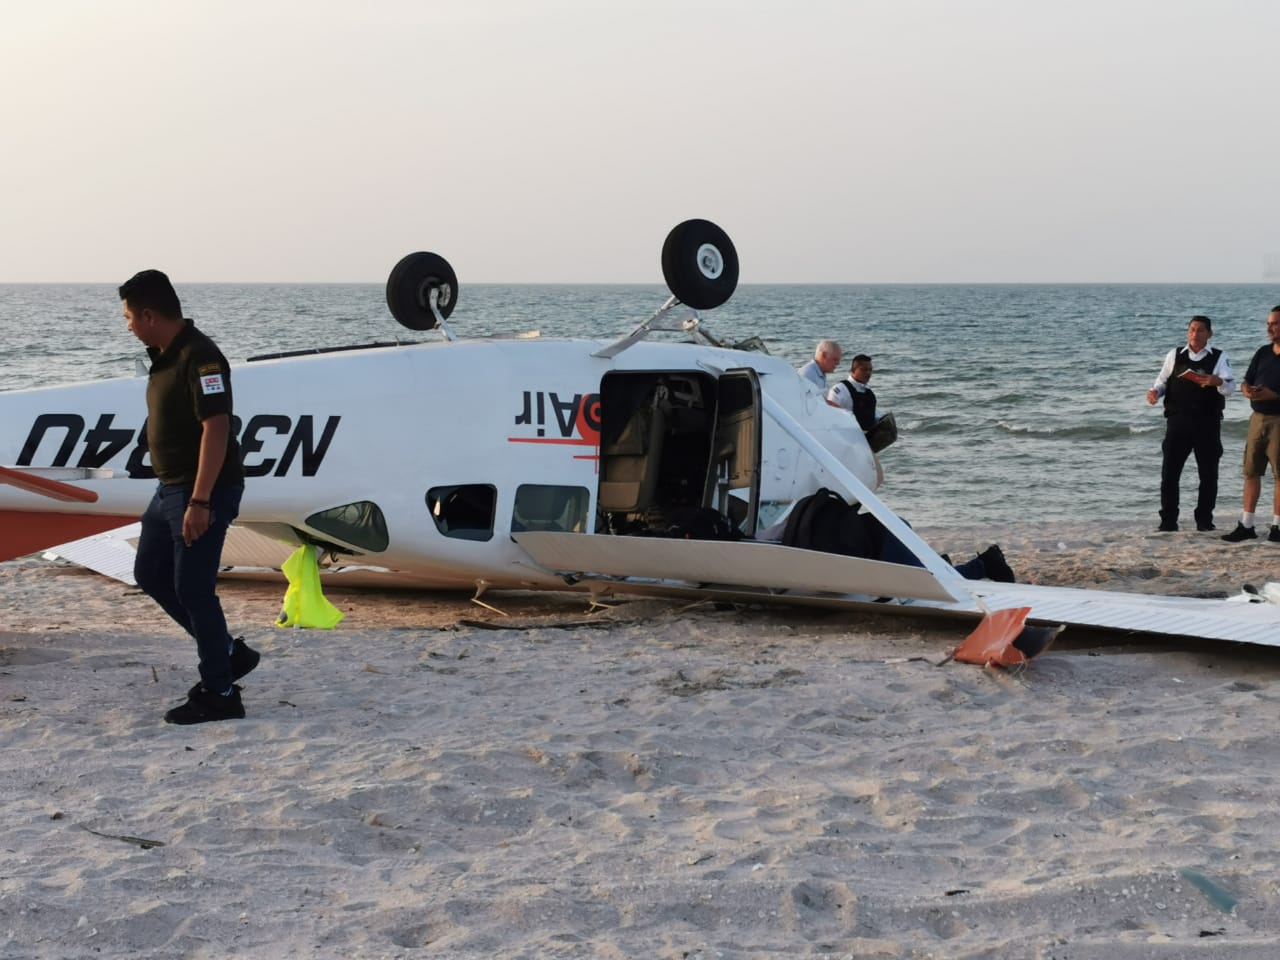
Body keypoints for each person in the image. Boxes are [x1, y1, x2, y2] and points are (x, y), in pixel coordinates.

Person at [120, 269, 255, 723]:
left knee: (194, 589)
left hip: (200, 490)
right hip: (169, 489)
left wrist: (200, 501)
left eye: (129, 317)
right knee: (150, 572)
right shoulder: (164, 356)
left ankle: (220, 691)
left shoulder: (201, 357)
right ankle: (229, 654)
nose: (127, 325)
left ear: (149, 314)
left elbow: (216, 427)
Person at [1145, 315, 1234, 532]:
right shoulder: (1175, 355)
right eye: (1192, 329)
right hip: (1178, 420)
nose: (1195, 334)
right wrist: (1155, 392)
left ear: (1209, 334)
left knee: (1208, 473)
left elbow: (1230, 387)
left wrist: (1218, 381)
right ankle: (1168, 520)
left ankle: (1204, 520)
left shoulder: (1220, 357)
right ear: (1188, 332)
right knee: (1170, 472)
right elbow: (1162, 380)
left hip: (1207, 422)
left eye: (1201, 330)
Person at [1222, 306, 1280, 543]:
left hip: (1279, 420)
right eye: (1268, 323)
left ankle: (1278, 527)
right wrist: (1247, 389)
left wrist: (1274, 396)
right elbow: (1247, 379)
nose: (1269, 328)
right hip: (1257, 419)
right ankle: (1247, 525)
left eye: (1275, 324)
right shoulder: (1263, 352)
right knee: (1251, 471)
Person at [827, 354, 878, 431]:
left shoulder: (868, 391)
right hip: (848, 437)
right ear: (853, 370)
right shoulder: (840, 390)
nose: (868, 373)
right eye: (864, 370)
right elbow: (830, 416)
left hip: (867, 439)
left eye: (870, 370)